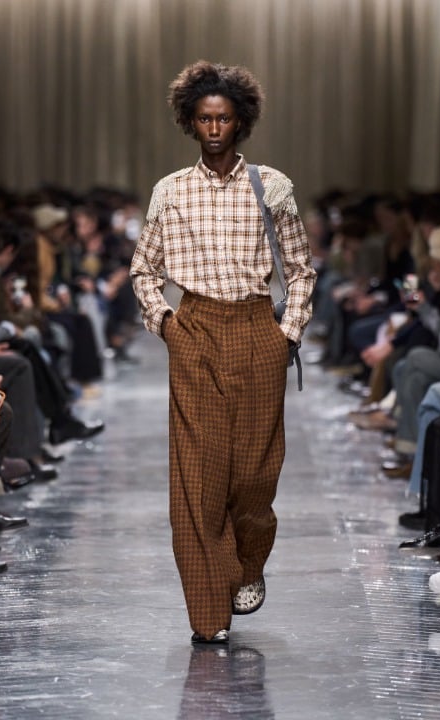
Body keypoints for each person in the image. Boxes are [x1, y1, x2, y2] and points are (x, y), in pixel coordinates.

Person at [130, 61, 316, 644]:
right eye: (205, 119)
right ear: (190, 122)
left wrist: (288, 332)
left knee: (256, 475)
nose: (214, 128)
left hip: (259, 330)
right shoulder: (170, 191)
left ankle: (248, 563)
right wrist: (167, 324)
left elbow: (301, 269)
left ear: (241, 122)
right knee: (199, 478)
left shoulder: (272, 186)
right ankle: (209, 614)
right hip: (196, 330)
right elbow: (144, 269)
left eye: (225, 119)